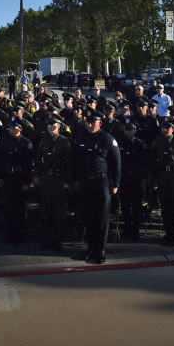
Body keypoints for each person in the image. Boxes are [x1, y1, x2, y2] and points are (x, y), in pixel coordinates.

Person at [73, 110, 121, 264]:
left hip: (102, 182)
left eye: (93, 122)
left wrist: (116, 184)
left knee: (101, 217)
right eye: (88, 121)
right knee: (88, 216)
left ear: (100, 123)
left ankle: (100, 249)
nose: (90, 124)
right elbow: (75, 160)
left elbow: (116, 163)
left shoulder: (107, 139)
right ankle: (90, 247)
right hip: (86, 182)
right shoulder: (81, 138)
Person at [34, 115, 72, 251]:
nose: (51, 127)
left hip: (58, 179)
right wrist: (36, 175)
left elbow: (69, 163)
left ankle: (57, 242)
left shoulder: (64, 141)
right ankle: (46, 241)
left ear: (59, 126)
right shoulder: (44, 140)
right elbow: (38, 159)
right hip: (46, 179)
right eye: (49, 125)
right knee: (46, 211)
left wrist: (67, 181)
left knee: (58, 212)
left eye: (53, 125)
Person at [150, 117, 174, 246]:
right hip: (162, 177)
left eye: (168, 128)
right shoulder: (157, 141)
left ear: (173, 129)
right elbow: (153, 161)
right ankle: (167, 233)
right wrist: (154, 179)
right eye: (163, 127)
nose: (165, 129)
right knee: (165, 208)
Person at [0, 116, 34, 245]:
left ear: (20, 129)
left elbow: (28, 165)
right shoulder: (5, 141)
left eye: (13, 128)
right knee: (9, 208)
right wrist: (1, 177)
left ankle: (20, 235)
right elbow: (1, 161)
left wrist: (26, 182)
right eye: (10, 128)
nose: (11, 130)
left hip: (19, 178)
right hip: (9, 177)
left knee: (19, 209)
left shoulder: (26, 143)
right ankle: (10, 234)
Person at [116, 119, 148, 242]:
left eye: (131, 129)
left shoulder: (140, 144)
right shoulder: (119, 143)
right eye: (127, 129)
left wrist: (143, 178)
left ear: (135, 131)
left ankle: (135, 230)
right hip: (124, 179)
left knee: (136, 206)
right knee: (124, 205)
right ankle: (127, 227)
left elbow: (145, 162)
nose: (129, 132)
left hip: (137, 179)